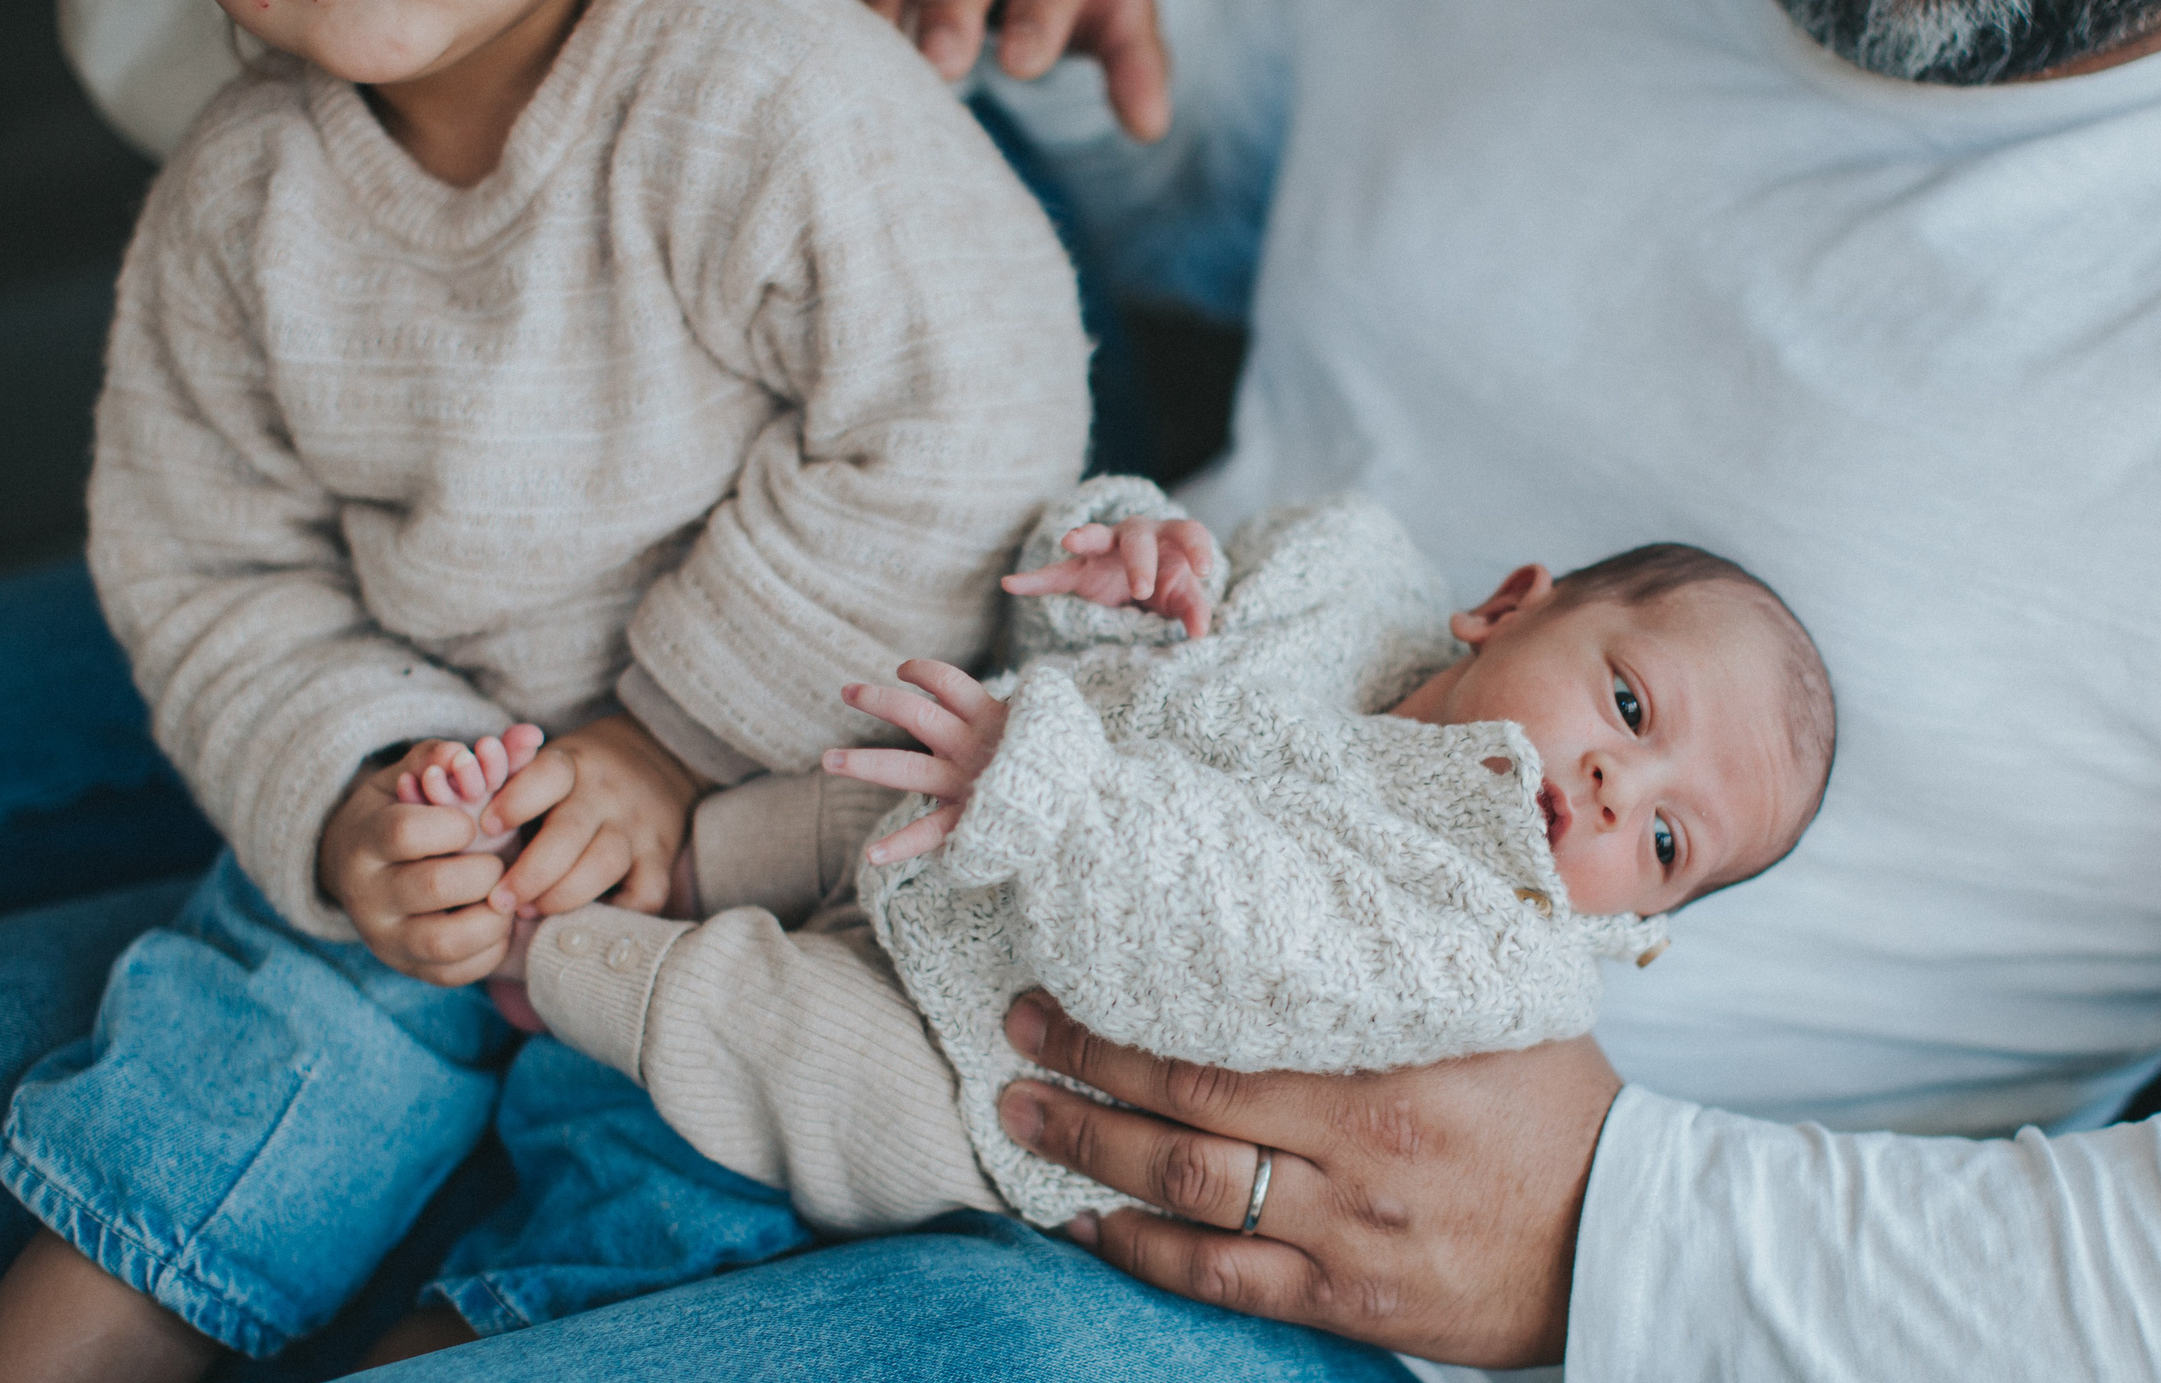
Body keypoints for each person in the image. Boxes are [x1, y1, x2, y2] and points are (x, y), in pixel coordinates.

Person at [0, 0, 2161, 1383]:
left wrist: (1642, 1237)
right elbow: (1149, 183)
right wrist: (1045, 63)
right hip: (952, 756)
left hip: (1339, 1309)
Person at [0, 0, 1087, 1383]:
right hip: (451, 780)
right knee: (228, 1045)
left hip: (786, 835)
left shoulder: (766, 82)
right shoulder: (240, 195)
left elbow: (965, 425)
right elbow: (211, 572)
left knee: (661, 1193)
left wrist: (662, 745)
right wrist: (361, 791)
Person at [455, 475, 1829, 1230]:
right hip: (960, 815)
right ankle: (610, 854)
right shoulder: (1341, 586)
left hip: (1007, 1062)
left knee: (789, 1041)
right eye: (1632, 708)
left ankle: (551, 952)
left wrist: (1042, 789)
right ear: (1506, 605)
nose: (1607, 789)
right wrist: (1129, 564)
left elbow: (1244, 934)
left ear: (1647, 920)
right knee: (823, 781)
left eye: (1663, 840)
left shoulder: (1489, 951)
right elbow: (1122, 648)